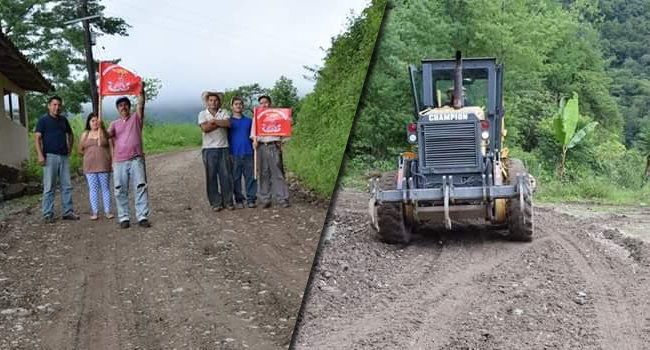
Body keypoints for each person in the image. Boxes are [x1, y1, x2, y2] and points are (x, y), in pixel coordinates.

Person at [107, 84, 151, 229]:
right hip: (119, 161)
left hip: (136, 159)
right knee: (120, 190)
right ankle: (124, 217)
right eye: (120, 105)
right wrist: (100, 126)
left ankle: (142, 216)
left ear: (129, 107)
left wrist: (141, 91)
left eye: (126, 105)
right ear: (117, 109)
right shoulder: (113, 124)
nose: (123, 107)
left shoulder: (136, 118)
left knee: (140, 187)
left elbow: (141, 104)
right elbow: (106, 137)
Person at [34, 96, 80, 223]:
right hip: (49, 157)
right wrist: (40, 155)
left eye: (59, 105)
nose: (57, 107)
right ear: (49, 105)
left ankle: (68, 212)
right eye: (54, 104)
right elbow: (37, 138)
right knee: (49, 186)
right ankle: (48, 214)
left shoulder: (63, 120)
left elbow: (70, 135)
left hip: (64, 156)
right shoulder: (43, 121)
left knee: (67, 185)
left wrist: (70, 149)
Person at [251, 95, 290, 208]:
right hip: (261, 146)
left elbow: (284, 131)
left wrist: (281, 141)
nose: (264, 105)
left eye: (266, 102)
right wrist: (254, 140)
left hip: (274, 146)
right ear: (259, 105)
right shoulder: (256, 117)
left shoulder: (277, 115)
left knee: (278, 173)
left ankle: (282, 198)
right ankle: (265, 199)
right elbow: (254, 133)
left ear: (270, 103)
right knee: (263, 173)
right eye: (262, 103)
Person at [198, 91, 233, 211]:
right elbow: (205, 129)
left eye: (216, 100)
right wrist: (219, 123)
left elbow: (228, 123)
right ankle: (215, 203)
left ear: (219, 102)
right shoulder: (202, 113)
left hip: (224, 147)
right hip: (208, 149)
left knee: (226, 176)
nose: (213, 102)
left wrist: (213, 121)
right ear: (207, 102)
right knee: (211, 176)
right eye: (211, 100)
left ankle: (228, 201)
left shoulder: (225, 112)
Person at [78, 112, 113, 220]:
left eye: (97, 120)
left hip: (103, 164)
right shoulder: (85, 134)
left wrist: (112, 161)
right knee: (93, 189)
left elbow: (112, 148)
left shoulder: (104, 133)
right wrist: (90, 155)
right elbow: (80, 150)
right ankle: (95, 212)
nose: (95, 122)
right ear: (89, 122)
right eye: (92, 120)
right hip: (89, 166)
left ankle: (107, 211)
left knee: (105, 188)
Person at [228, 96, 257, 208]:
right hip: (234, 153)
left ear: (243, 106)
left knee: (250, 177)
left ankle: (251, 199)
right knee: (235, 178)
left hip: (248, 152)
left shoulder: (249, 121)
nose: (238, 105)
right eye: (236, 104)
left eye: (240, 104)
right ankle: (239, 200)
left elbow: (254, 136)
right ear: (232, 107)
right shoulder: (228, 122)